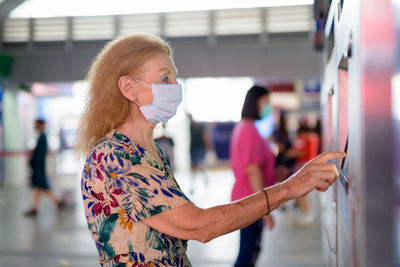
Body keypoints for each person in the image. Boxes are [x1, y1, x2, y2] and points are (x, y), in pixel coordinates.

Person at [76, 33, 345, 267]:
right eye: (165, 78)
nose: (175, 87)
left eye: (174, 77)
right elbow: (198, 225)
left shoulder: (149, 149)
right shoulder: (115, 156)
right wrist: (290, 187)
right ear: (128, 87)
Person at [229, 85, 276, 267]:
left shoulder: (245, 127)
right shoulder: (249, 129)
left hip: (247, 198)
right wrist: (265, 206)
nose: (268, 106)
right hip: (251, 200)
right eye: (266, 102)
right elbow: (252, 169)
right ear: (255, 102)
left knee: (251, 252)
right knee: (248, 254)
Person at [24, 119, 64, 216]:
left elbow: (40, 154)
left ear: (41, 126)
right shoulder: (39, 137)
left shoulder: (42, 138)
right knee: (39, 187)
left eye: (38, 125)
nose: (36, 127)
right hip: (38, 167)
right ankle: (36, 208)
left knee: (41, 187)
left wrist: (32, 160)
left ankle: (57, 202)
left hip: (39, 167)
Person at [189, 114, 209, 194]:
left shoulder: (199, 127)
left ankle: (205, 178)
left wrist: (207, 147)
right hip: (193, 148)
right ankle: (193, 183)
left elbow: (205, 136)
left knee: (199, 165)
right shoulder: (189, 127)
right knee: (194, 166)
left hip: (199, 148)